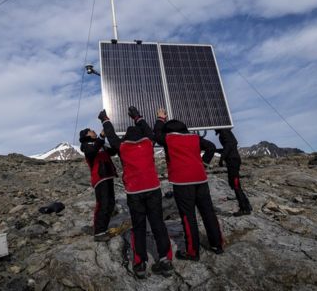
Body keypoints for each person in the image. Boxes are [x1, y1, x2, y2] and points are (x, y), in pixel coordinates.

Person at [99, 106, 174, 279]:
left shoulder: (122, 147)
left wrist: (104, 119)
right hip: (153, 190)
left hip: (134, 193)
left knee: (139, 227)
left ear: (126, 137)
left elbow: (110, 135)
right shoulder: (148, 142)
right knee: (158, 224)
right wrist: (137, 116)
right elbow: (150, 131)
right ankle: (165, 260)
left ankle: (139, 264)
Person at [154, 108, 224, 261]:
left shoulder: (168, 139)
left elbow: (157, 134)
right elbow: (211, 147)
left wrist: (160, 119)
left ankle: (192, 252)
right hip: (200, 180)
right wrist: (203, 163)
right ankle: (217, 244)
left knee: (188, 216)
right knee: (208, 213)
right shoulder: (194, 138)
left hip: (182, 183)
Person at [79, 128, 117, 242]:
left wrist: (112, 139)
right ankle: (99, 232)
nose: (94, 131)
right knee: (103, 204)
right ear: (86, 135)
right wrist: (101, 137)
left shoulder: (100, 144)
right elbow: (91, 152)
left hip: (108, 176)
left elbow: (113, 151)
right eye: (91, 130)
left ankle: (101, 228)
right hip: (100, 177)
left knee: (110, 204)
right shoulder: (87, 145)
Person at [215, 128, 253, 216]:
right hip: (233, 160)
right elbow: (229, 147)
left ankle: (244, 209)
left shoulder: (224, 132)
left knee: (235, 185)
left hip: (232, 161)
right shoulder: (226, 132)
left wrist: (222, 158)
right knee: (235, 184)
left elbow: (228, 145)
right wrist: (216, 150)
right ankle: (247, 205)